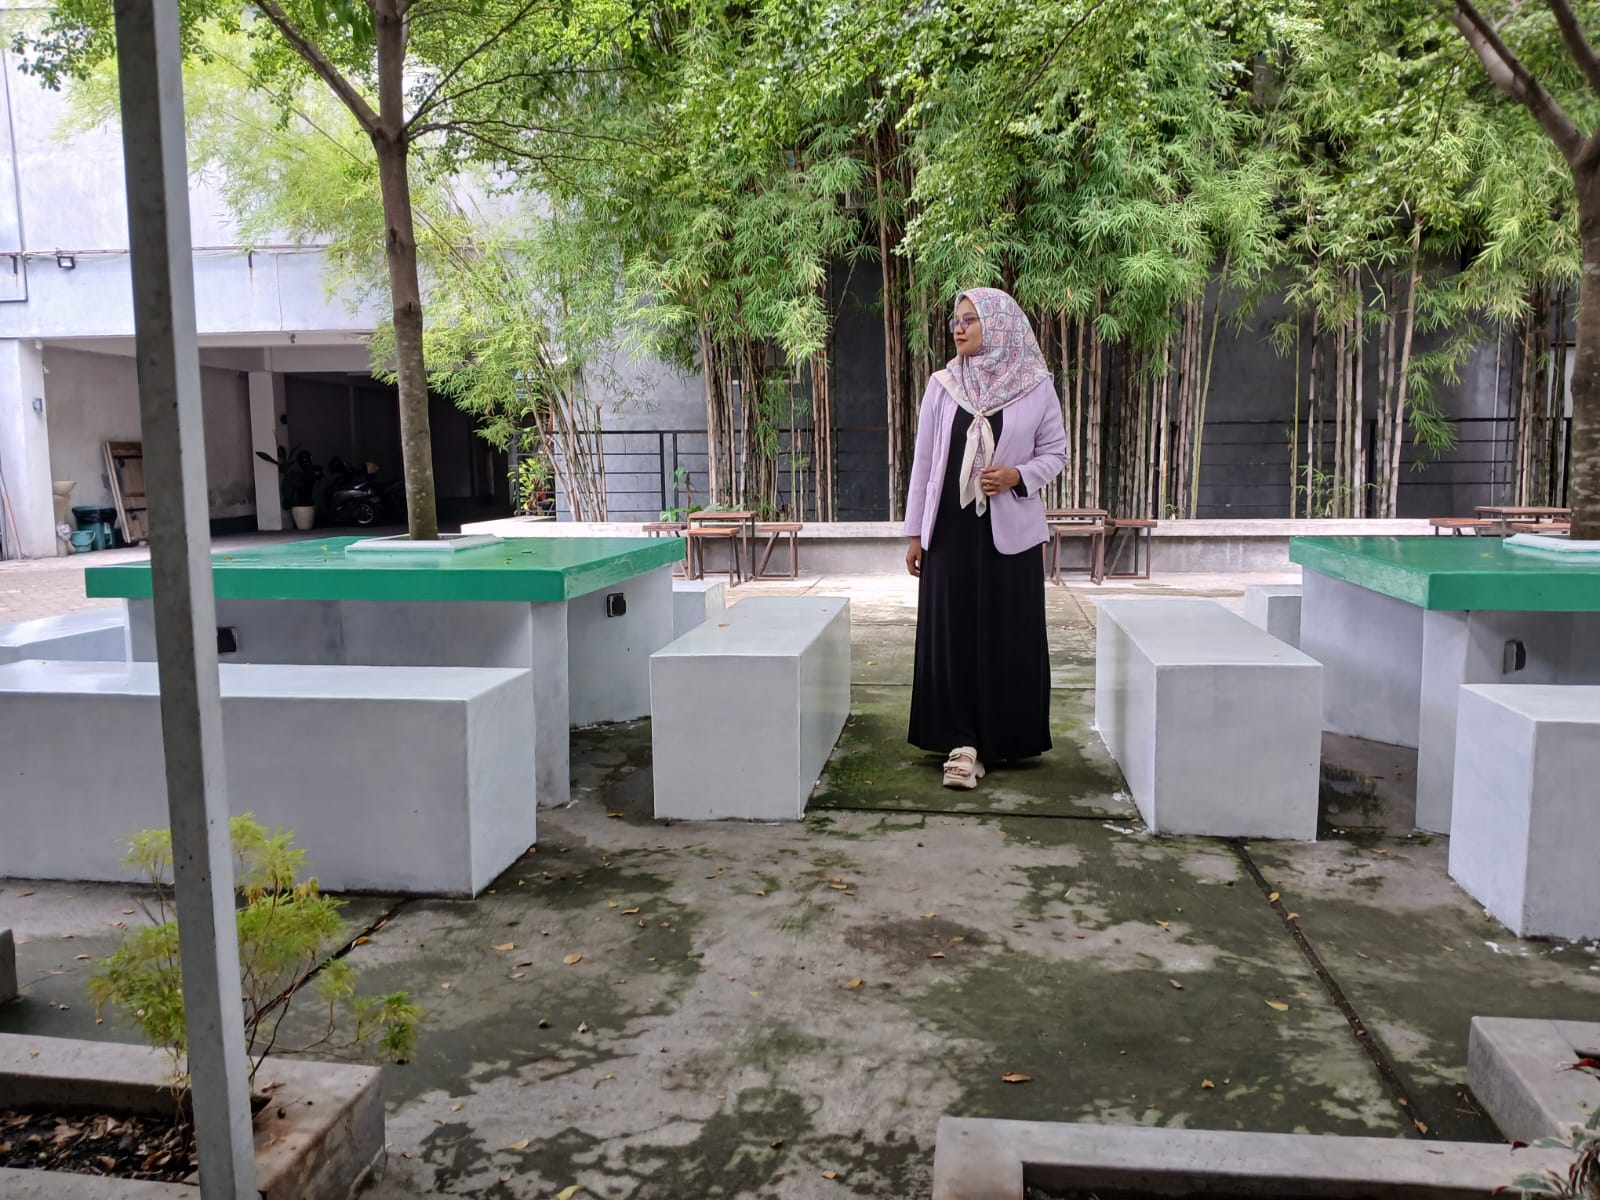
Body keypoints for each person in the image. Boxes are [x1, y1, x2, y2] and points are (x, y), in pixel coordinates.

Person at [903, 288, 1067, 789]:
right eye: (955, 320)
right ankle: (960, 739)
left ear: (998, 326)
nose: (958, 328)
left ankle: (998, 738)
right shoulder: (943, 386)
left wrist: (1017, 475)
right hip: (949, 532)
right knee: (952, 631)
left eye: (970, 320)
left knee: (1004, 632)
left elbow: (1056, 453)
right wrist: (915, 533)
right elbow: (925, 462)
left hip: (1010, 535)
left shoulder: (1036, 386)